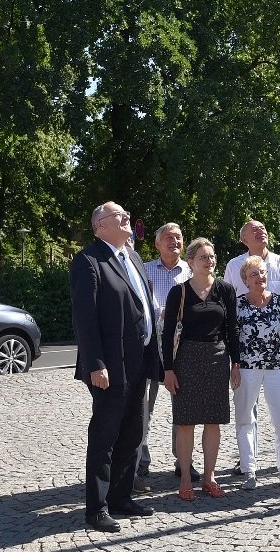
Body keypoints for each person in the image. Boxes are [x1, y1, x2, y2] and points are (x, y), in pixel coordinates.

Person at [70, 202, 160, 532]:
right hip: (110, 365)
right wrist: (95, 363)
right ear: (100, 226)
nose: (126, 219)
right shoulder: (88, 260)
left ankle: (122, 496)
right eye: (118, 216)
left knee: (134, 432)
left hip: (140, 360)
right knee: (105, 436)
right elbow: (85, 318)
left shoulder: (132, 257)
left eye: (126, 215)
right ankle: (97, 508)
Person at [222, 219, 280, 475]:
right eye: (254, 229)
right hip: (246, 351)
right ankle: (248, 459)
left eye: (263, 228)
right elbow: (228, 303)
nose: (260, 231)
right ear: (243, 239)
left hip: (277, 349)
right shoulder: (233, 266)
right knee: (248, 407)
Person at [161, 237, 241, 500]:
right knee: (185, 422)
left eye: (212, 256)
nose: (210, 261)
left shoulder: (225, 290)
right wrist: (168, 369)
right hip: (187, 359)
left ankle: (209, 477)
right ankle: (185, 477)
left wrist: (236, 363)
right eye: (204, 257)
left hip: (217, 358)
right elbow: (167, 334)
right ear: (191, 261)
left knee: (213, 420)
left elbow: (232, 329)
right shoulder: (179, 292)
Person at [136, 222, 195, 491]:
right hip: (149, 347)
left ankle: (183, 460)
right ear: (157, 244)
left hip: (181, 349)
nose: (175, 241)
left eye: (178, 237)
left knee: (182, 408)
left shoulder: (191, 271)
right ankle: (140, 459)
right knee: (143, 409)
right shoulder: (144, 269)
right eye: (169, 237)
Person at [233, 255, 280, 489]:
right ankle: (248, 470)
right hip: (247, 367)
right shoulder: (237, 304)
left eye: (262, 273)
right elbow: (233, 337)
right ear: (245, 280)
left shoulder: (278, 301)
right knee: (245, 420)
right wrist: (234, 366)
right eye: (254, 274)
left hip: (277, 367)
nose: (260, 277)